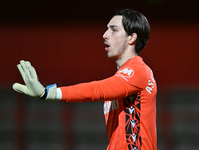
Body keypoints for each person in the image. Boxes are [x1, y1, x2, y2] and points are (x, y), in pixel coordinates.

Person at [13, 8, 157, 150]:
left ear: (132, 38)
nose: (105, 35)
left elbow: (96, 90)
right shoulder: (124, 78)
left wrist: (48, 93)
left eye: (113, 30)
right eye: (107, 29)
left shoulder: (138, 71)